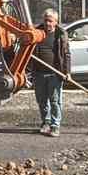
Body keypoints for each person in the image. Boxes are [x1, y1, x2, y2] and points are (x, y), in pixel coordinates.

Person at [31, 8, 69, 136]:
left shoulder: (60, 34)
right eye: (46, 20)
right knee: (42, 101)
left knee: (55, 101)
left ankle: (55, 125)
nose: (47, 23)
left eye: (50, 21)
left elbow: (66, 54)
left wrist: (67, 72)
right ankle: (45, 122)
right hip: (38, 73)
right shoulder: (37, 33)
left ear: (56, 22)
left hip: (54, 74)